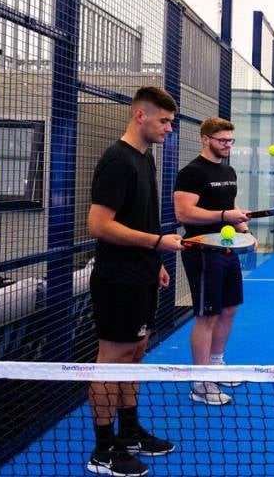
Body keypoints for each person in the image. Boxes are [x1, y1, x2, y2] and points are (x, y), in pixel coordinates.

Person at [87, 86, 184, 477]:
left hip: (142, 274)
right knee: (111, 360)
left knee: (137, 351)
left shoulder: (146, 160)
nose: (169, 128)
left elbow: (140, 218)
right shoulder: (118, 161)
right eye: (164, 121)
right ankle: (102, 450)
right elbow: (99, 225)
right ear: (140, 115)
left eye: (171, 122)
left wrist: (154, 261)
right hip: (116, 280)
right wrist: (157, 243)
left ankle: (129, 433)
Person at [174, 117, 254, 406]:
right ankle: (201, 381)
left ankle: (217, 365)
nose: (227, 145)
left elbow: (230, 204)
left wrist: (245, 230)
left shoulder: (228, 170)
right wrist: (223, 216)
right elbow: (184, 213)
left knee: (229, 309)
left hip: (227, 249)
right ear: (206, 139)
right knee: (207, 315)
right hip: (202, 250)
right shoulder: (191, 172)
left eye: (230, 140)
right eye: (222, 140)